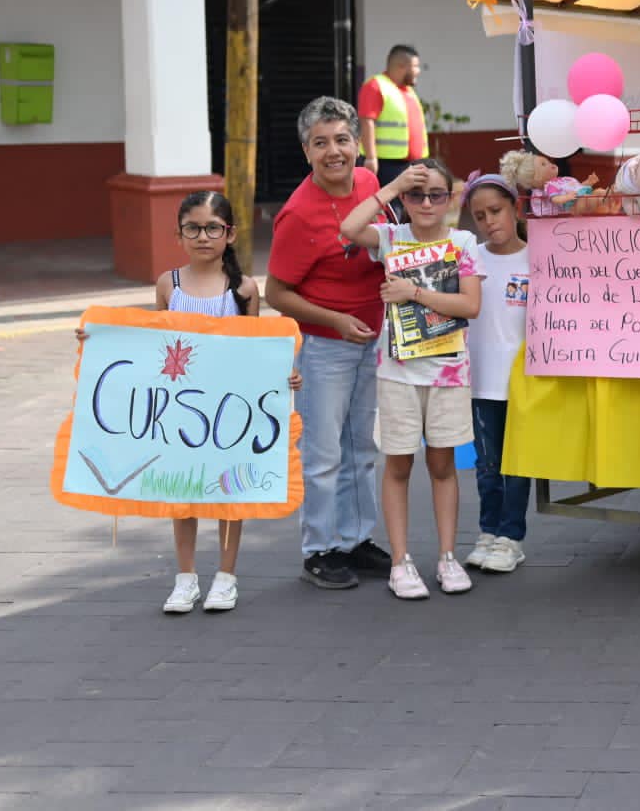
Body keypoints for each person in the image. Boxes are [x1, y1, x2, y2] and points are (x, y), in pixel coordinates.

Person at [77, 192, 301, 613]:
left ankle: (226, 577)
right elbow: (151, 343)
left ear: (229, 234)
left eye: (213, 228)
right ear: (179, 235)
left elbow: (256, 351)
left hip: (228, 411)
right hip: (179, 411)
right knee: (184, 491)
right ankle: (186, 578)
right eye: (193, 228)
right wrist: (99, 342)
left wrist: (281, 377)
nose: (203, 237)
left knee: (229, 492)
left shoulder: (244, 289)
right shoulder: (169, 284)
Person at [337, 158, 483, 599]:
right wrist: (391, 186)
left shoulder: (462, 243)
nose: (425, 203)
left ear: (450, 199)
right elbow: (348, 227)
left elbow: (470, 306)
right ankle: (401, 561)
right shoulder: (390, 237)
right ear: (404, 199)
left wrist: (413, 292)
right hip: (397, 370)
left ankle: (446, 556)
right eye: (416, 195)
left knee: (442, 465)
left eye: (435, 194)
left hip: (448, 369)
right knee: (398, 463)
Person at [266, 97, 393, 590]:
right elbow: (277, 292)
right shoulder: (297, 215)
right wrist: (335, 321)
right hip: (326, 347)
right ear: (306, 151)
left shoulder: (367, 184)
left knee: (361, 447)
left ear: (357, 145)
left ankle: (355, 540)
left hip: (372, 337)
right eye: (321, 143)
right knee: (322, 454)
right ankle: (319, 549)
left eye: (342, 140)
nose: (334, 151)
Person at [460, 172, 533, 574]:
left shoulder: (538, 259)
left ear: (515, 208)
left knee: (517, 464)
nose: (489, 222)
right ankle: (488, 531)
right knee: (486, 465)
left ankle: (512, 537)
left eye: (496, 211)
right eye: (480, 215)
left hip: (524, 381)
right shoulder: (471, 258)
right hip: (480, 379)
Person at [358, 44, 428, 192]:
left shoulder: (406, 90)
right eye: (415, 66)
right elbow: (367, 121)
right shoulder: (376, 86)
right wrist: (371, 158)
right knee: (391, 209)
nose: (418, 71)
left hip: (409, 164)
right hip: (387, 165)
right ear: (401, 66)